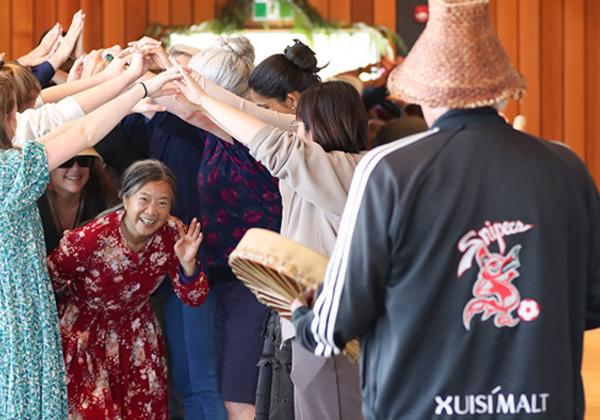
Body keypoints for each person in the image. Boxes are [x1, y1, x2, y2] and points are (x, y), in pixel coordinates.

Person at [289, 0, 600, 418]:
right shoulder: (565, 167)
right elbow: (592, 303)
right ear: (498, 95)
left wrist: (306, 316)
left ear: (424, 94)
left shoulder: (388, 171)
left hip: (420, 406)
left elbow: (332, 327)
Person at [177, 72, 366, 420]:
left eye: (301, 125)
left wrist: (203, 98)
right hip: (313, 320)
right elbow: (264, 121)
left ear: (320, 126)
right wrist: (196, 87)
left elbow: (271, 142)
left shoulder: (344, 169)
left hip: (333, 326)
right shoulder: (325, 164)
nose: (295, 130)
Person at [0, 53, 178, 419]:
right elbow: (81, 132)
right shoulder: (10, 172)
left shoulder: (15, 164)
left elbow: (64, 126)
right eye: (13, 112)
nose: (19, 118)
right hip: (15, 304)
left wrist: (125, 86)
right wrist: (141, 86)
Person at [125, 35, 282, 420]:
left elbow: (190, 107)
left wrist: (159, 71)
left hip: (254, 277)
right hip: (210, 271)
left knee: (236, 396)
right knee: (205, 385)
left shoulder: (252, 136)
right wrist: (154, 69)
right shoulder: (212, 132)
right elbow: (185, 108)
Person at [47, 160, 209, 418]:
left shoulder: (173, 235)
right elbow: (48, 283)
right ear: (125, 197)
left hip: (137, 336)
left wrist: (188, 265)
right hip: (85, 336)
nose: (152, 211)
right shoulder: (89, 238)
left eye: (163, 202)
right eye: (144, 199)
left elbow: (195, 297)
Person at [38, 148, 117, 254]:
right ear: (48, 168)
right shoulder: (33, 205)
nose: (75, 168)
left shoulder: (103, 199)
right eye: (66, 161)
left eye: (84, 160)